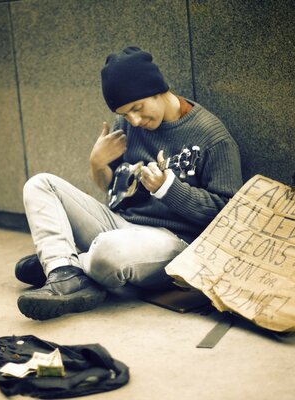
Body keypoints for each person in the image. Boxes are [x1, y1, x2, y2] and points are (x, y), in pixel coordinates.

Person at [15, 46, 243, 320]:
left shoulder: (212, 137)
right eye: (125, 114)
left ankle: (63, 261)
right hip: (121, 224)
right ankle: (65, 273)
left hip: (176, 242)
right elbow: (111, 192)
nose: (134, 120)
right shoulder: (128, 125)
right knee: (40, 184)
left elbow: (228, 213)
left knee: (106, 253)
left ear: (159, 89)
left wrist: (168, 190)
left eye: (137, 108)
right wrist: (97, 163)